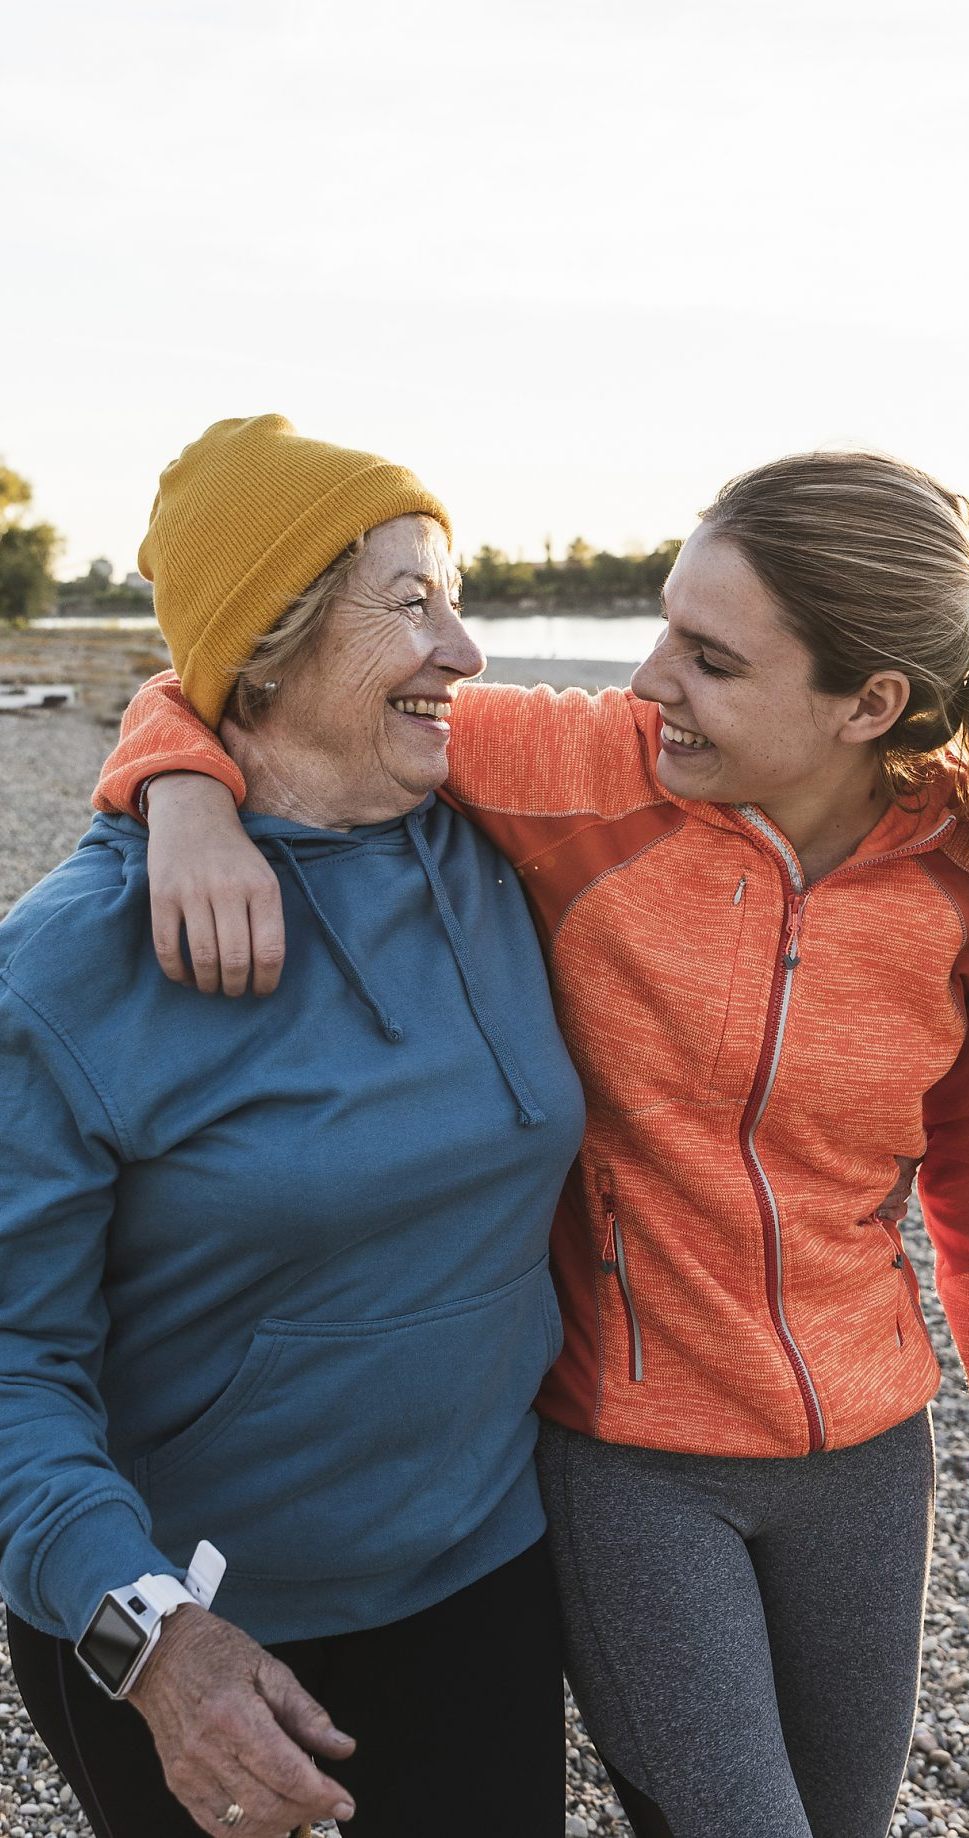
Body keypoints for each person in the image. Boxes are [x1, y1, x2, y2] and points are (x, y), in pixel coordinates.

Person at [95, 448, 969, 1838]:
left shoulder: (964, 868)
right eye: (660, 624)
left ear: (869, 704)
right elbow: (264, 692)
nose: (651, 678)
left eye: (709, 658)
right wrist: (178, 794)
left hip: (866, 1455)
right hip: (629, 1456)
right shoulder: (585, 772)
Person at [0, 414, 587, 1838]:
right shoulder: (73, 965)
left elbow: (763, 736)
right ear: (267, 645)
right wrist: (146, 1637)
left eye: (454, 596)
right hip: (195, 1622)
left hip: (484, 1574)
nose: (464, 648)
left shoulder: (508, 838)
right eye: (409, 603)